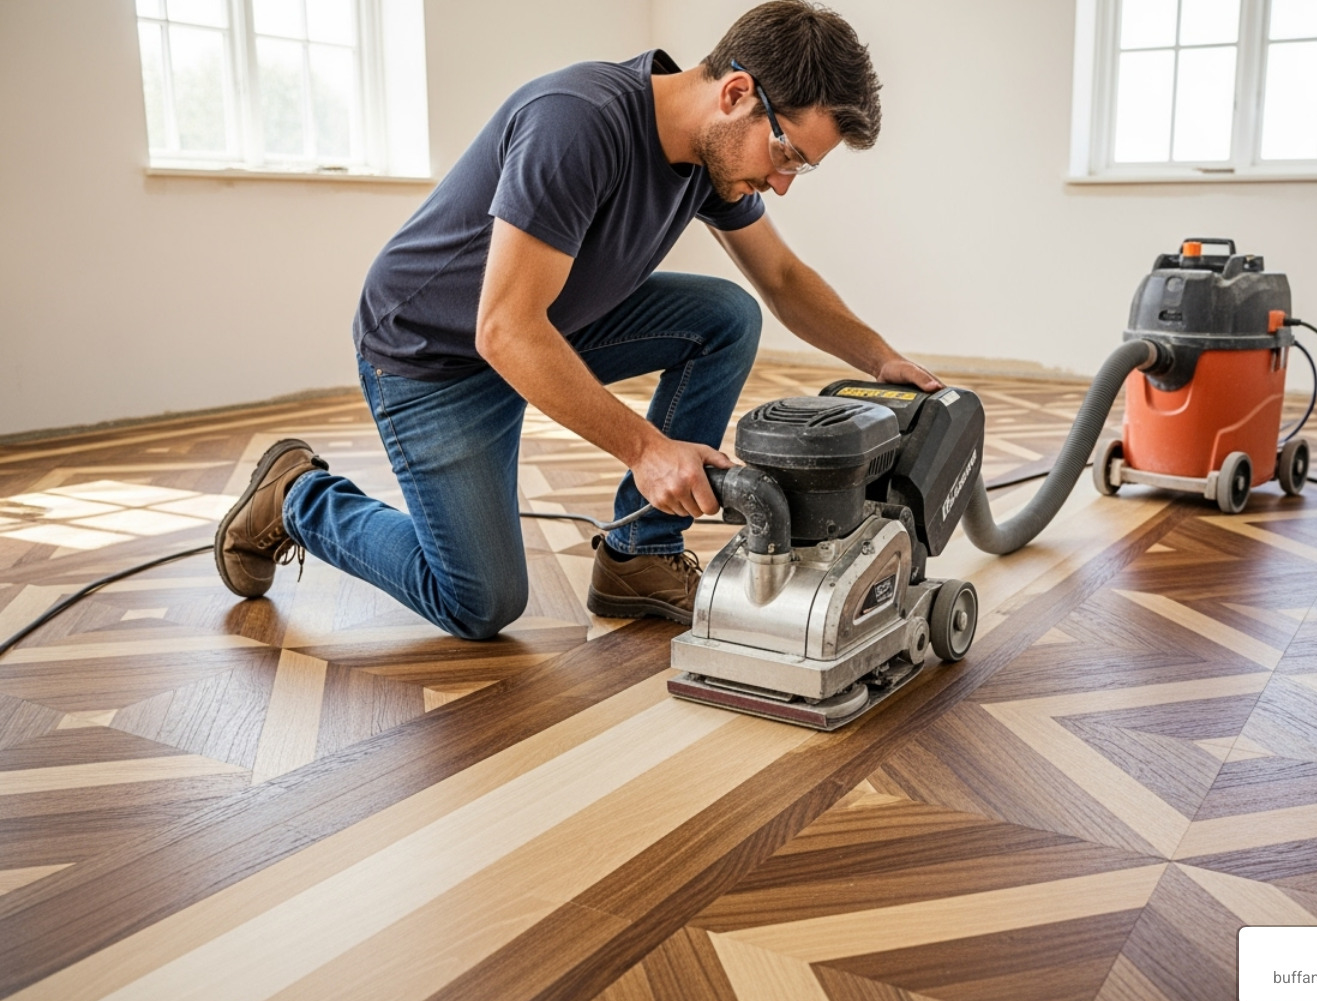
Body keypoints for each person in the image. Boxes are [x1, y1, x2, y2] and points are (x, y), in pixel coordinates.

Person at [213, 0, 940, 638]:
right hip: (432, 358)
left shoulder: (709, 156)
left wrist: (880, 359)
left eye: (801, 167)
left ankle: (640, 556)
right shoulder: (577, 122)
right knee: (479, 603)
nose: (781, 183)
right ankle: (296, 497)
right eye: (787, 154)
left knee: (726, 316)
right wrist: (647, 450)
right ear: (736, 93)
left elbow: (780, 277)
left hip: (541, 327)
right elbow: (504, 330)